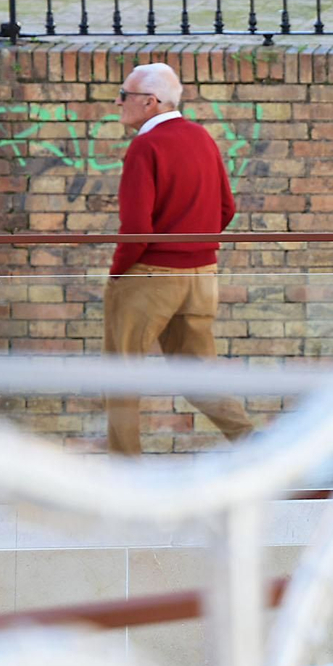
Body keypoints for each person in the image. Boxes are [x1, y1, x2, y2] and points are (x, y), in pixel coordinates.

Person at [104, 62, 255, 456]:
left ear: (150, 102)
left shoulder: (145, 146)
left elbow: (136, 226)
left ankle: (125, 472)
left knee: (121, 376)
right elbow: (227, 207)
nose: (118, 102)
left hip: (150, 278)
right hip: (202, 276)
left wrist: (118, 274)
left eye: (125, 95)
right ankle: (254, 445)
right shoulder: (202, 137)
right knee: (200, 375)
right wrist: (195, 247)